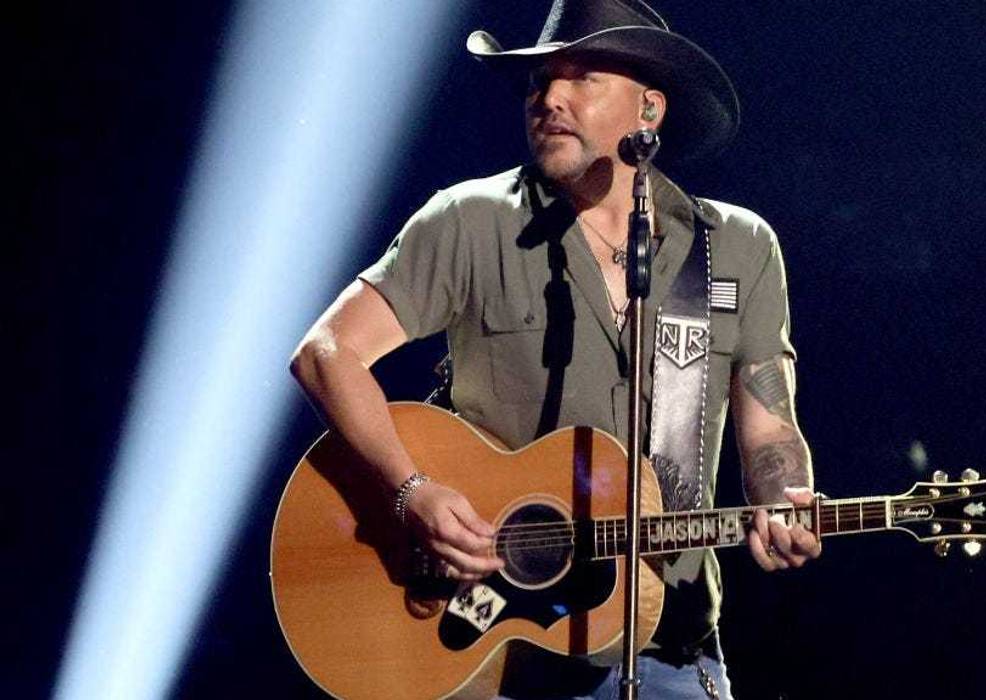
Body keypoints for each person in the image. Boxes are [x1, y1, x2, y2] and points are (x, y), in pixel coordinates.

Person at [290, 1, 820, 697]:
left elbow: (769, 426)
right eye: (540, 81)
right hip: (484, 638)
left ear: (649, 111)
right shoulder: (471, 221)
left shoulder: (736, 249)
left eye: (583, 78)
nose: (549, 98)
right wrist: (411, 492)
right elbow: (326, 351)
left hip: (663, 640)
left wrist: (783, 499)